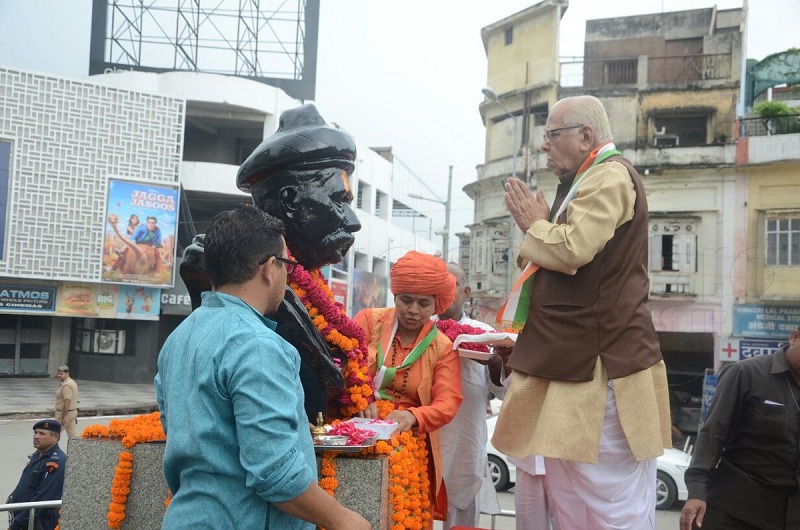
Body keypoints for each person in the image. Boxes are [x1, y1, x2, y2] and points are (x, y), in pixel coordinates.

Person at [493, 95, 672, 529]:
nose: (544, 147)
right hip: (575, 364)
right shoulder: (588, 178)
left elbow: (573, 247)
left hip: (601, 367)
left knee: (610, 505)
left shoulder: (609, 175)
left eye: (552, 136)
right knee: (572, 503)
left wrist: (535, 224)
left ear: (586, 137)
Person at [154, 204, 370, 530]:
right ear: (270, 267)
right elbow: (276, 476)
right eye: (286, 265)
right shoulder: (257, 344)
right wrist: (347, 521)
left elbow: (191, 433)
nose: (286, 275)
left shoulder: (180, 338)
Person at [354, 250, 463, 527]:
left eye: (423, 303)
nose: (413, 310)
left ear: (436, 306)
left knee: (403, 511)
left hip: (408, 441)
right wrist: (360, 392)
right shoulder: (369, 321)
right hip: (357, 429)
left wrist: (414, 417)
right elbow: (345, 362)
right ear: (394, 297)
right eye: (406, 300)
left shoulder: (442, 347)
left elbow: (448, 402)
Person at [680, 325, 800, 530]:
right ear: (794, 337)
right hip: (733, 512)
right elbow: (713, 435)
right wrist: (697, 492)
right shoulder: (746, 373)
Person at [434, 262, 505, 529]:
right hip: (428, 433)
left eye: (450, 287)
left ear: (465, 291)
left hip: (466, 438)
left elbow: (499, 390)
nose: (444, 292)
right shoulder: (421, 328)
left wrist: (497, 363)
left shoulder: (484, 333)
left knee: (462, 515)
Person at [8, 419, 66, 530]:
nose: (36, 436)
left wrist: (17, 524)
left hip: (39, 523)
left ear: (56, 437)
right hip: (26, 520)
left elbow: (43, 498)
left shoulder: (56, 462)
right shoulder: (38, 455)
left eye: (42, 433)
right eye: (35, 432)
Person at [54, 365, 79, 439]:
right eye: (58, 373)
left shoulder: (66, 385)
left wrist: (64, 417)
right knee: (73, 435)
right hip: (71, 412)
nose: (59, 375)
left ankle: (50, 450)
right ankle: (81, 448)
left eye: (61, 374)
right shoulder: (71, 382)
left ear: (67, 373)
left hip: (65, 413)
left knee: (54, 434)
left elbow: (67, 401)